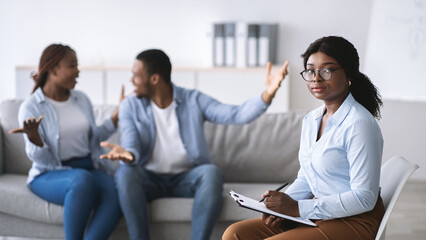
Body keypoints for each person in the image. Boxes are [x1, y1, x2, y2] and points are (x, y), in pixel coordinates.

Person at [99, 49, 289, 240]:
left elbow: (235, 114)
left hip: (187, 178)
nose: (131, 80)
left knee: (211, 173)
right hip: (148, 179)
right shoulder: (130, 105)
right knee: (125, 173)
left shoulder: (193, 100)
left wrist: (267, 94)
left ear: (154, 79)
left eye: (136, 75)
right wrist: (128, 155)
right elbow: (130, 143)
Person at [222, 36, 385, 240]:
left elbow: (364, 198)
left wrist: (298, 208)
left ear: (349, 75)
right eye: (310, 70)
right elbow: (307, 178)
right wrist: (281, 207)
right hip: (318, 214)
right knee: (234, 234)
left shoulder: (359, 124)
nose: (316, 78)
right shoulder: (311, 119)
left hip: (354, 221)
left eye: (327, 70)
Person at [10, 44, 123, 240]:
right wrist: (35, 139)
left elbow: (93, 137)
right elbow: (41, 160)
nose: (77, 71)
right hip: (50, 173)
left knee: (118, 191)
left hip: (88, 168)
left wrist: (115, 117)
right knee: (81, 181)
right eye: (72, 66)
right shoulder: (31, 107)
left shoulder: (81, 99)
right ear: (53, 70)